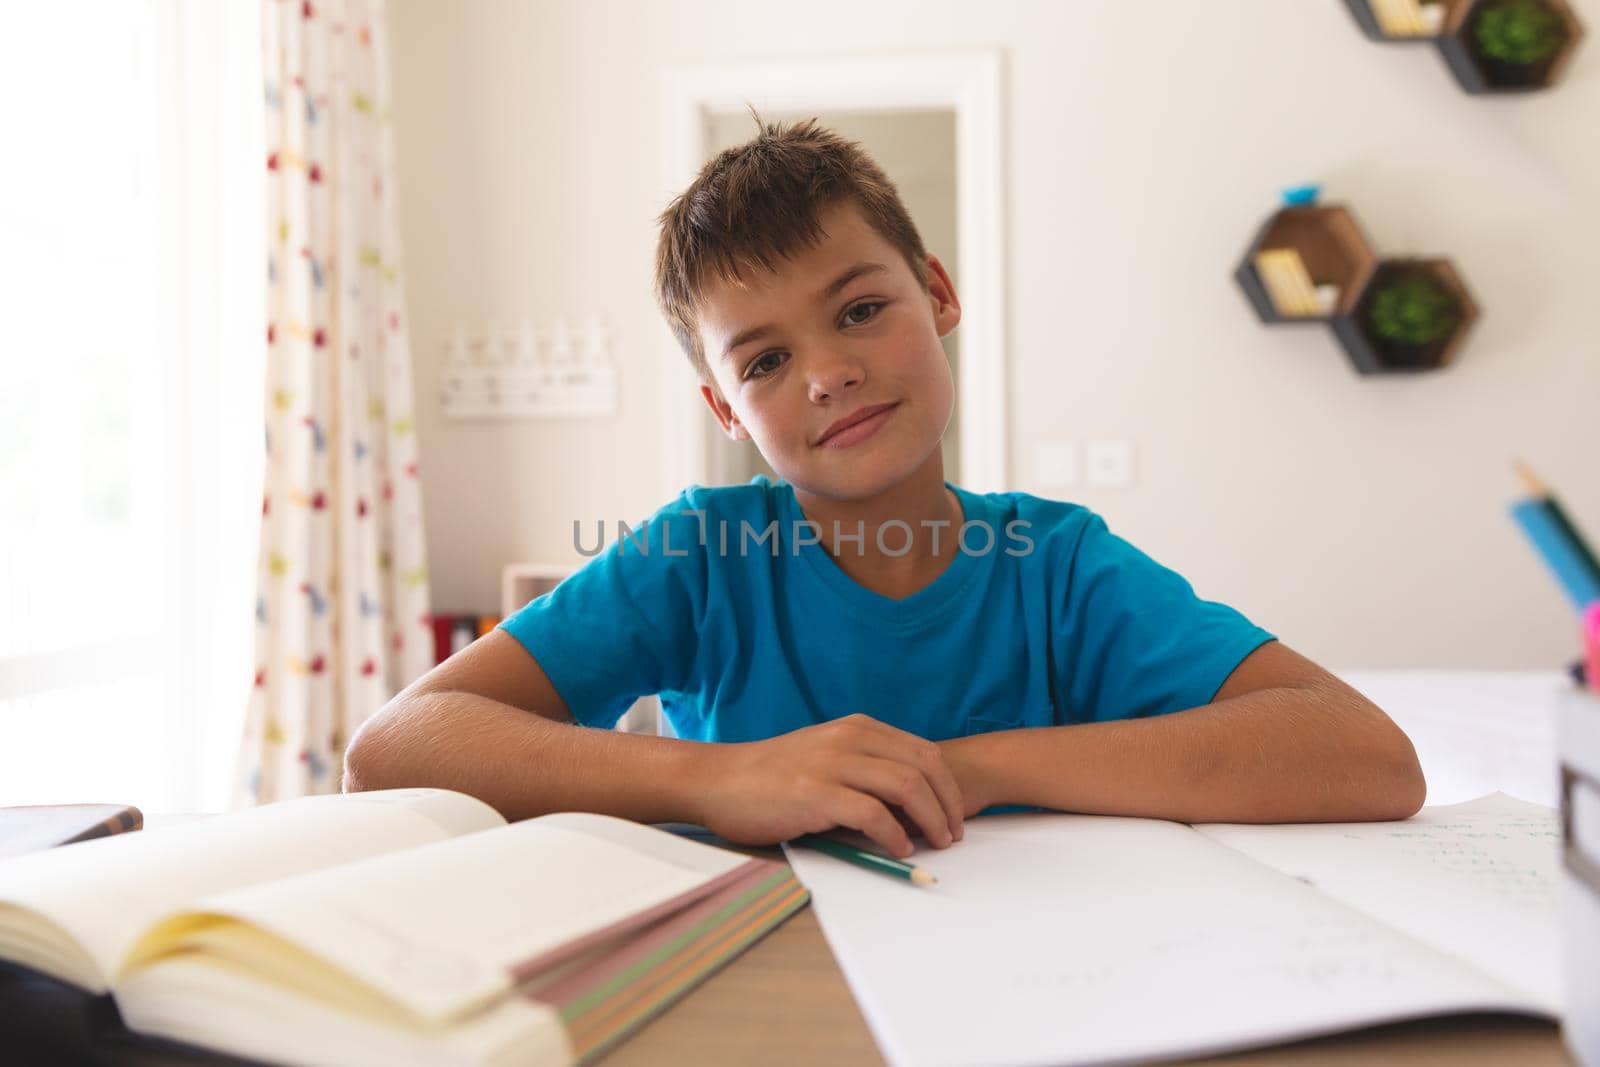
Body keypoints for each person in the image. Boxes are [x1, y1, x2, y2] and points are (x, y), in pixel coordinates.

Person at [344, 118, 1425, 857]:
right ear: (727, 413)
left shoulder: (1055, 565)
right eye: (763, 361)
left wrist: (968, 767)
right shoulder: (700, 556)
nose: (827, 372)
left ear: (937, 292)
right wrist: (723, 779)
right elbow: (391, 749)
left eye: (860, 308)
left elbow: (1367, 757)